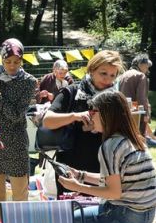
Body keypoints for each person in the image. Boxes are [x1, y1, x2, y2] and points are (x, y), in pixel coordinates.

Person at [58, 90, 156, 223]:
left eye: (93, 111)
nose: (90, 115)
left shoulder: (110, 146)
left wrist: (77, 187)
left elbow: (113, 192)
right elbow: (118, 182)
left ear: (106, 114)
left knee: (65, 220)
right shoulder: (134, 140)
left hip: (125, 214)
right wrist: (81, 175)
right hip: (146, 214)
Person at [42, 50, 124, 195]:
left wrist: (102, 127)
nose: (107, 80)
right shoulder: (71, 92)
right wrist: (76, 116)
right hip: (71, 167)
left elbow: (124, 131)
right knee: (69, 214)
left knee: (100, 214)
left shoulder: (115, 99)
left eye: (112, 75)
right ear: (91, 70)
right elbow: (47, 121)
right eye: (103, 73)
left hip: (103, 168)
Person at [0, 38, 37, 202]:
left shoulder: (28, 81)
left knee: (20, 196)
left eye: (16, 62)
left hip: (15, 143)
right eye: (8, 61)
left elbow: (16, 115)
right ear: (1, 59)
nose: (12, 66)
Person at [118, 53, 152, 135]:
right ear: (141, 64)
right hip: (136, 112)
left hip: (122, 109)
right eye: (147, 67)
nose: (147, 70)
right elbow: (141, 98)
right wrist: (146, 114)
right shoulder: (140, 76)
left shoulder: (124, 75)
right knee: (139, 135)